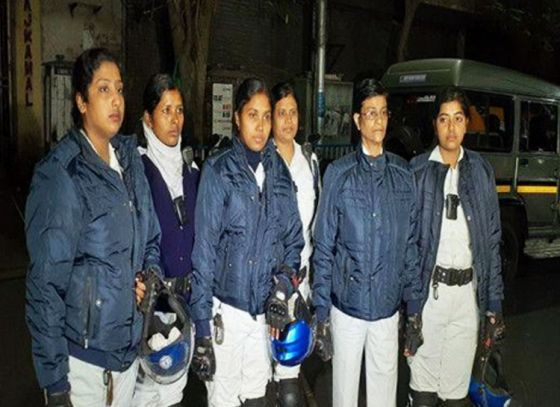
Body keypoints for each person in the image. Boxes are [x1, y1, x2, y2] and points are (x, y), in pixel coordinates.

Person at [25, 47, 161, 406]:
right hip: (83, 365)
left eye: (119, 89)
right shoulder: (62, 175)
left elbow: (151, 240)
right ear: (82, 102)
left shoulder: (130, 163)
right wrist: (56, 384)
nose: (116, 100)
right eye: (103, 90)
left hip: (129, 355)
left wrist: (148, 277)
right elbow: (44, 288)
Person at [189, 78, 304, 407]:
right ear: (237, 118)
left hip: (263, 318)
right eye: (253, 115)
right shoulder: (218, 171)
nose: (261, 125)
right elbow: (204, 253)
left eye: (267, 116)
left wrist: (282, 286)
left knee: (257, 399)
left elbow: (293, 241)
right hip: (226, 313)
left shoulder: (279, 173)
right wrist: (203, 329)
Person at [312, 79, 422, 407]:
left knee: (384, 398)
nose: (378, 120)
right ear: (358, 121)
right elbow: (324, 245)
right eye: (370, 113)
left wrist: (413, 310)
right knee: (344, 397)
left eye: (383, 113)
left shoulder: (403, 178)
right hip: (347, 310)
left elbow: (411, 247)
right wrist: (321, 313)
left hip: (388, 313)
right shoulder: (339, 175)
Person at [406, 87, 505, 407]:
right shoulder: (418, 171)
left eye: (458, 119)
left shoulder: (481, 171)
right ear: (435, 124)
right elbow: (407, 245)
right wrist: (410, 309)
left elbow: (491, 240)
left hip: (467, 299)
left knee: (456, 395)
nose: (451, 128)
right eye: (444, 119)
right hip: (429, 297)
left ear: (467, 124)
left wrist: (494, 304)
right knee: (423, 393)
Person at [132, 73, 199, 406]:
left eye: (180, 110)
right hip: (149, 312)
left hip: (183, 307)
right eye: (166, 110)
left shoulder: (191, 170)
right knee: (143, 396)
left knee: (174, 395)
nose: (175, 120)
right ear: (148, 117)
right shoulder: (136, 171)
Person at [270, 81, 319, 407]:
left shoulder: (310, 162)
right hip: (267, 283)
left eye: (293, 112)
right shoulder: (262, 160)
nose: (288, 120)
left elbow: (316, 226)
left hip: (301, 282)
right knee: (260, 375)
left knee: (290, 371)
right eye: (281, 113)